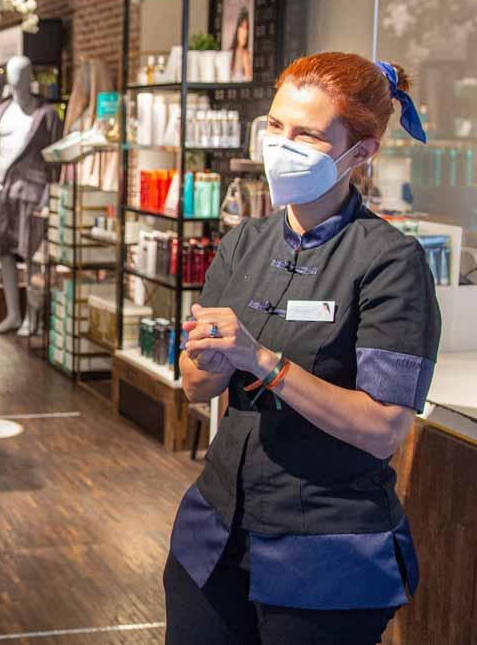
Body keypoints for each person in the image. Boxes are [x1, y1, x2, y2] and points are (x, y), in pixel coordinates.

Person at [164, 52, 439, 644]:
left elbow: (385, 427)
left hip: (325, 556)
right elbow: (194, 386)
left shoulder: (390, 263)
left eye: (308, 134)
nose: (281, 146)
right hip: (214, 533)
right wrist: (205, 361)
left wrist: (263, 362)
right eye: (275, 126)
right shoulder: (244, 242)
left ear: (360, 153)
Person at [230, 7, 252, 82]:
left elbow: (248, 78)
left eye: (246, 28)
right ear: (237, 29)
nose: (245, 32)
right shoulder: (230, 53)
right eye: (242, 27)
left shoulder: (245, 54)